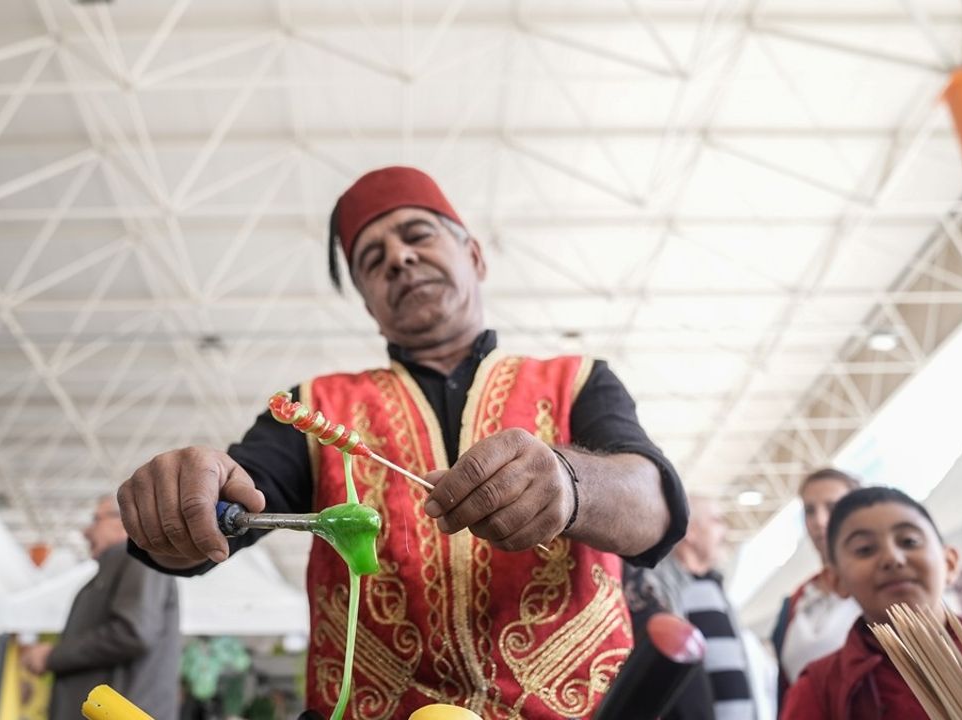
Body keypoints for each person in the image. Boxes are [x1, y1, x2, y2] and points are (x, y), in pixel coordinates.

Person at [118, 166, 688, 719]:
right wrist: (179, 501)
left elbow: (655, 510)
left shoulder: (577, 381)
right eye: (373, 259)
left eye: (418, 235)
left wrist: (569, 482)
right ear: (369, 303)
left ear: (475, 255)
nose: (399, 257)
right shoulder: (314, 407)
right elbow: (227, 511)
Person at [781, 486, 962, 719]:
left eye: (909, 541)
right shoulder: (818, 690)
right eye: (864, 549)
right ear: (836, 580)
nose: (892, 558)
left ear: (950, 562)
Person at [21, 495, 181, 720]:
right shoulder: (119, 566)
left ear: (126, 521)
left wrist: (52, 656)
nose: (87, 532)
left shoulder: (140, 559)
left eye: (96, 520)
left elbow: (133, 632)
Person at [623, 495, 764, 720]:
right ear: (690, 531)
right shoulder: (656, 587)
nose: (725, 531)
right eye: (716, 521)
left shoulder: (716, 589)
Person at [769, 468, 861, 710]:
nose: (819, 520)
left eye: (832, 507)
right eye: (810, 510)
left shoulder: (880, 590)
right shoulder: (795, 602)